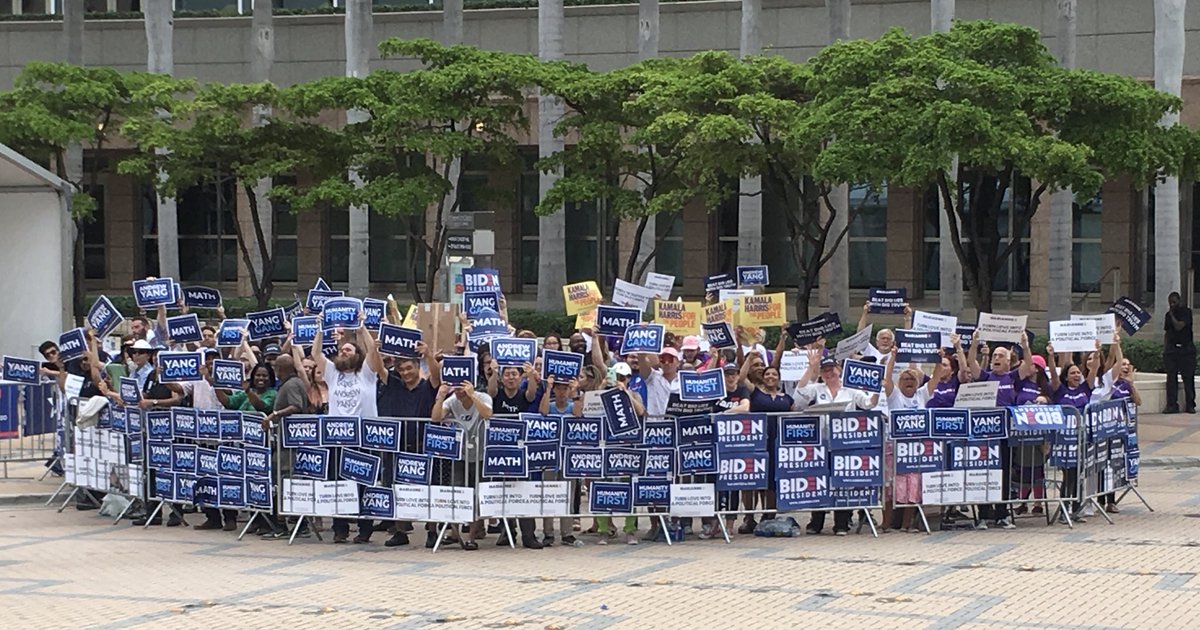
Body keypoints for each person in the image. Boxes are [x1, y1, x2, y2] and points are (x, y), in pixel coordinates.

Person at [311, 319, 385, 544]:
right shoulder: (333, 373)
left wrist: (361, 328)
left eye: (348, 349)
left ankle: (364, 528)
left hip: (364, 438)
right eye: (341, 349)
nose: (343, 351)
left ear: (357, 354)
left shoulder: (367, 373)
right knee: (338, 483)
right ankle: (340, 528)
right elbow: (315, 354)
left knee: (364, 483)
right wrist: (320, 329)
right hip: (338, 438)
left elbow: (372, 349)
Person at [794, 350, 879, 536]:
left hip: (845, 443)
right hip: (822, 443)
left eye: (831, 369)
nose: (829, 373)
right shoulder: (817, 389)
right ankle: (816, 522)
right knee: (819, 481)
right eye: (825, 370)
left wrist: (877, 390)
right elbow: (799, 395)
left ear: (839, 369)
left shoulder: (852, 389)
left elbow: (868, 404)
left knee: (843, 481)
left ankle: (841, 523)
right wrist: (811, 367)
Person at [375, 341, 442, 548]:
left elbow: (437, 376)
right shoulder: (395, 385)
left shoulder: (427, 387)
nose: (405, 373)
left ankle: (432, 530)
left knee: (430, 490)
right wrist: (375, 349)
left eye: (409, 368)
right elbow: (379, 369)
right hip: (400, 446)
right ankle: (401, 530)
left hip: (425, 446)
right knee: (398, 490)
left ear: (417, 367)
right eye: (401, 369)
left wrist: (428, 355)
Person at [431, 381, 493, 551]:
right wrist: (441, 396)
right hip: (460, 455)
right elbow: (436, 417)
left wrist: (472, 395)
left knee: (477, 495)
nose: (459, 391)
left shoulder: (483, 396)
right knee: (457, 492)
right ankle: (454, 534)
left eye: (462, 387)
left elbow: (487, 414)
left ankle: (472, 536)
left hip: (480, 455)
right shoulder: (451, 400)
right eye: (456, 388)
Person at [259, 353, 310, 539]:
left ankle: (291, 523)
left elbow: (296, 406)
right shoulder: (287, 384)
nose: (275, 371)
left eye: (276, 368)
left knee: (285, 479)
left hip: (290, 444)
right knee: (282, 479)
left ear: (281, 368)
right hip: (283, 441)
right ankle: (294, 522)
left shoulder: (292, 384)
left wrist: (275, 414)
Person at [1163, 291, 1195, 413]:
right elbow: (1167, 332)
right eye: (1170, 302)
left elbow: (1179, 326)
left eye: (1174, 302)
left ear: (1179, 301)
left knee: (1188, 378)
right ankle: (1172, 405)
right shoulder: (1168, 315)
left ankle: (1190, 405)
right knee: (1171, 378)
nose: (1172, 305)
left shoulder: (1186, 312)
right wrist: (1165, 349)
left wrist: (1172, 315)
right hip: (1172, 351)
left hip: (1186, 350)